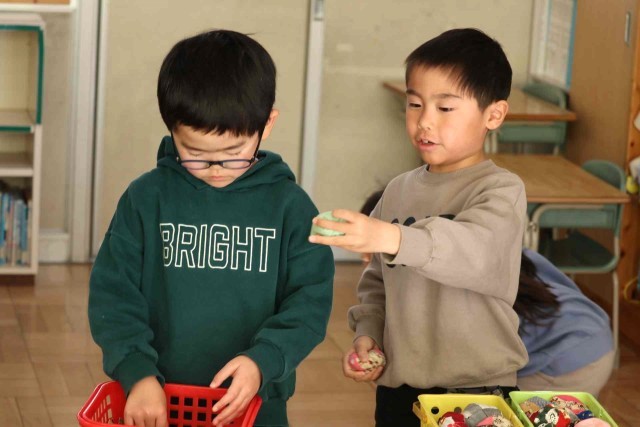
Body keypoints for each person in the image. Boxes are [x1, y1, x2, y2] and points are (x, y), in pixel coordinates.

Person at [88, 29, 334, 427]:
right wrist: (138, 372)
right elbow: (113, 296)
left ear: (267, 124)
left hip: (255, 404)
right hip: (160, 399)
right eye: (196, 154)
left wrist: (264, 360)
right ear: (171, 129)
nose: (216, 169)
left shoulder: (291, 208)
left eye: (234, 153)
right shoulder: (146, 199)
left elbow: (309, 303)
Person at [309, 28, 528, 426]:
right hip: (400, 390)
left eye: (445, 108)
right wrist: (368, 334)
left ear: (493, 115)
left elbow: (473, 252)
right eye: (414, 104)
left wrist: (389, 236)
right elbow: (377, 283)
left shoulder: (500, 190)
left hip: (476, 391)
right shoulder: (399, 190)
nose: (424, 121)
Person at [516, 248, 615, 396]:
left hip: (569, 360)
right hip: (596, 330)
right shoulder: (517, 251)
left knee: (497, 403)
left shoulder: (487, 280)